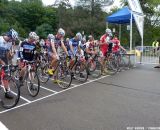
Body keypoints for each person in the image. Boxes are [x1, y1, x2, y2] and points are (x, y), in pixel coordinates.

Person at [0, 28, 18, 98]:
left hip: (3, 58)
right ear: (9, 36)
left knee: (6, 75)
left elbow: (7, 54)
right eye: (13, 39)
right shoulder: (0, 39)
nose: (13, 41)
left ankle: (7, 92)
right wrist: (1, 62)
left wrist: (11, 55)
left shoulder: (10, 43)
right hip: (1, 59)